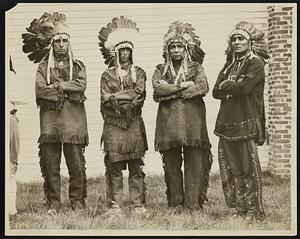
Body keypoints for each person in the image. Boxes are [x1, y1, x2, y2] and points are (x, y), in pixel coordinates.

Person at [22, 12, 89, 215]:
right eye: (57, 41)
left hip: (74, 123)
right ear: (52, 44)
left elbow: (82, 85)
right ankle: (54, 203)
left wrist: (59, 85)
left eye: (64, 41)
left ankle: (76, 201)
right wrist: (64, 90)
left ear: (69, 44)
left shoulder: (78, 66)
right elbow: (40, 90)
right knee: (52, 166)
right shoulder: (43, 67)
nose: (61, 44)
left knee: (76, 164)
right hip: (50, 124)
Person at [152, 21, 212, 212]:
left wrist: (169, 91)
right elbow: (157, 90)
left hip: (193, 124)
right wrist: (181, 87)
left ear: (186, 49)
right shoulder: (161, 69)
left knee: (194, 162)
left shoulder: (196, 67)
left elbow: (203, 87)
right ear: (167, 50)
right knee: (171, 164)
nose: (176, 50)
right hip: (168, 124)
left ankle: (193, 203)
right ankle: (176, 202)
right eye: (172, 47)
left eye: (179, 46)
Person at [212, 21, 269, 222]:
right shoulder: (229, 65)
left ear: (250, 42)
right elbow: (215, 91)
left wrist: (230, 86)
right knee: (232, 169)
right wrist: (232, 86)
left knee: (248, 169)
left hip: (246, 122)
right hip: (226, 124)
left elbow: (245, 89)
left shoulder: (256, 63)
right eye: (233, 39)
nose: (236, 42)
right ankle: (238, 208)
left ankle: (253, 211)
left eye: (241, 39)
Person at [98, 16, 148, 214]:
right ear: (115, 52)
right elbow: (104, 99)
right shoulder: (106, 75)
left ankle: (138, 204)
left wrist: (114, 97)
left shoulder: (140, 73)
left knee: (136, 167)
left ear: (132, 52)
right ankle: (115, 205)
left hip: (134, 124)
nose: (125, 53)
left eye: (128, 50)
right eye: (121, 50)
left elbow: (139, 95)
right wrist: (115, 99)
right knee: (115, 167)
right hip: (113, 126)